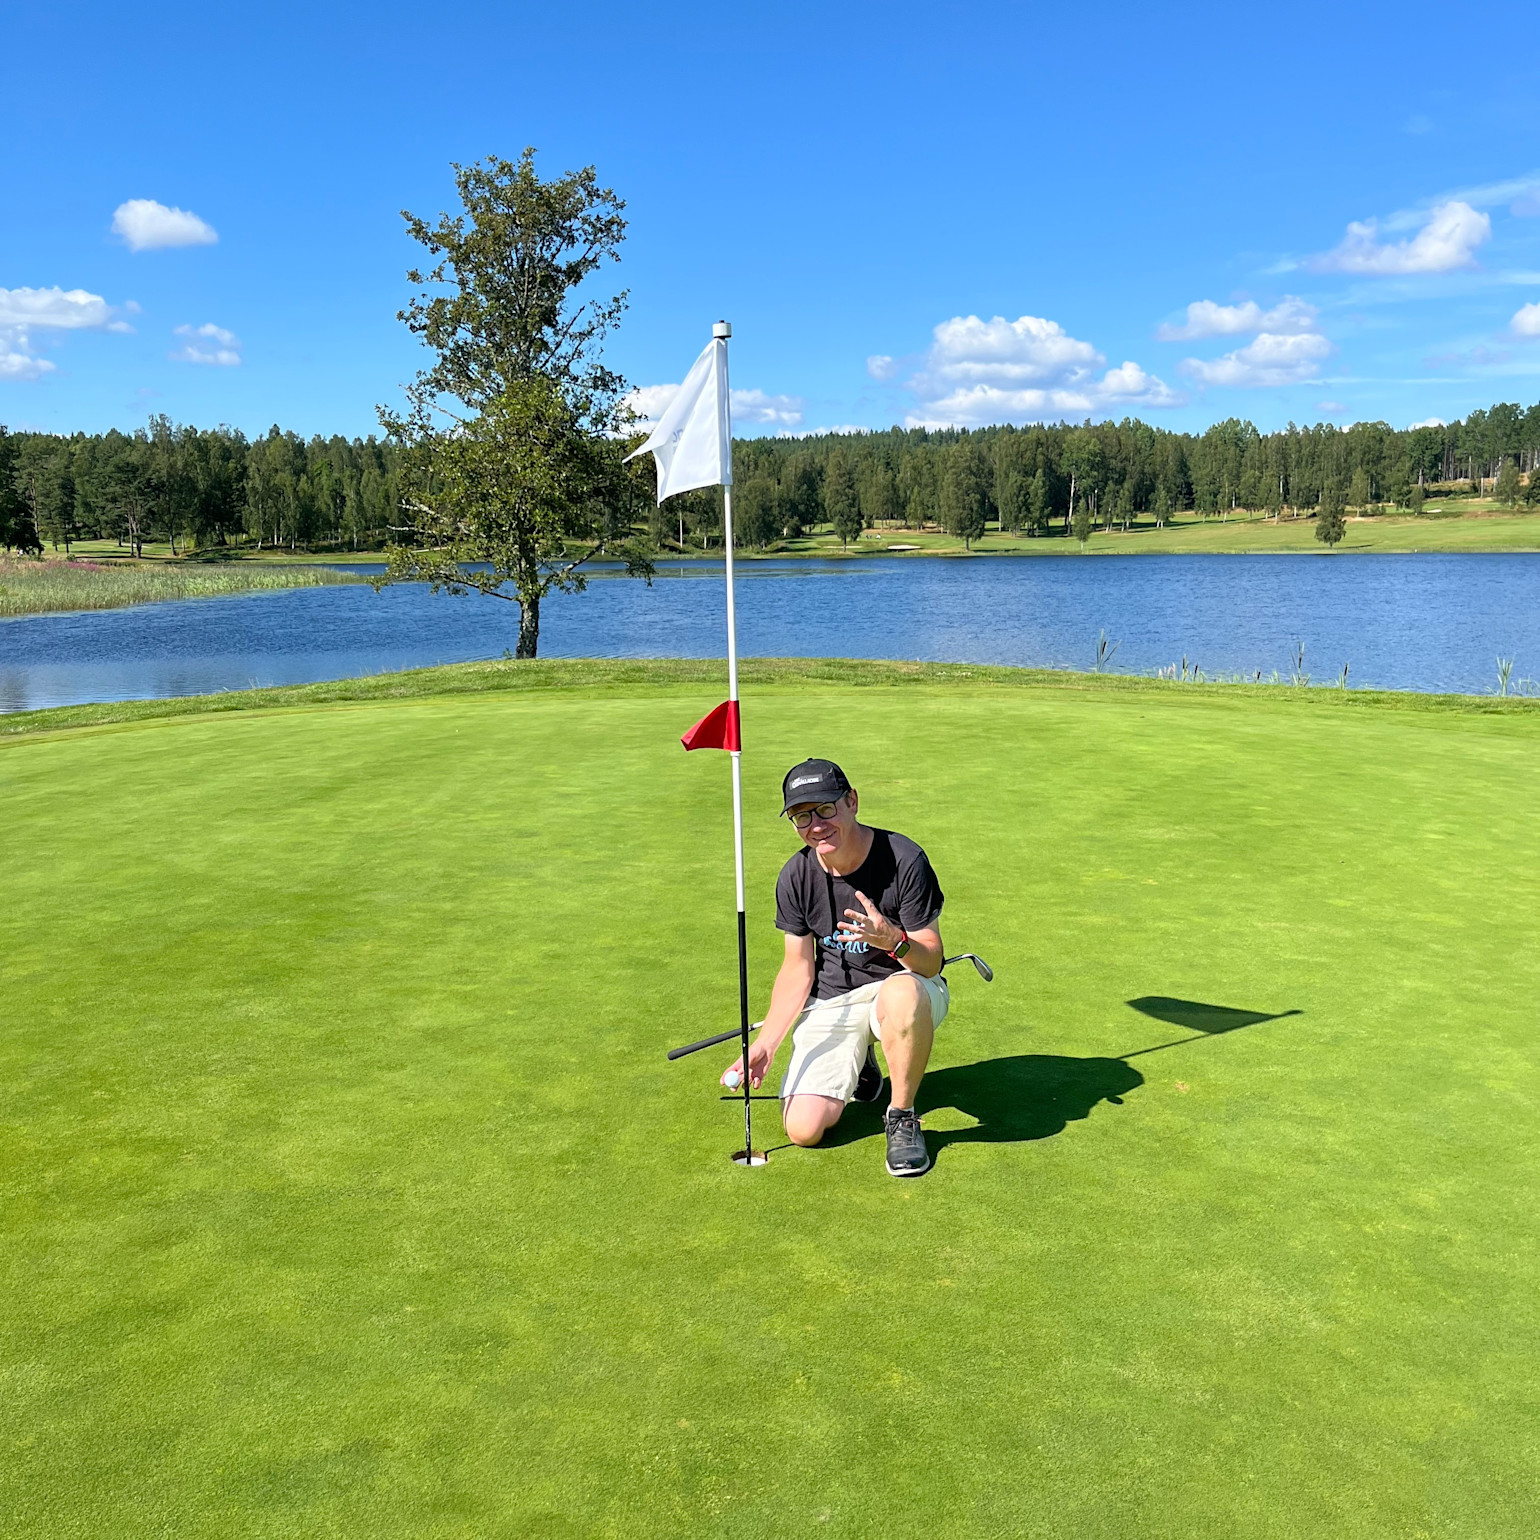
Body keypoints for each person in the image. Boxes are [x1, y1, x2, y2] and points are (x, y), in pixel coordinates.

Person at [724, 758, 948, 1177]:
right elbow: (797, 970)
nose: (816, 825)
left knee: (902, 994)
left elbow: (932, 961)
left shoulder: (904, 858)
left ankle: (901, 1116)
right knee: (803, 1129)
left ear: (852, 802)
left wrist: (892, 940)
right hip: (834, 998)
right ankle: (861, 1061)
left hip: (907, 988)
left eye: (826, 809)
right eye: (801, 815)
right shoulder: (796, 875)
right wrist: (767, 1044)